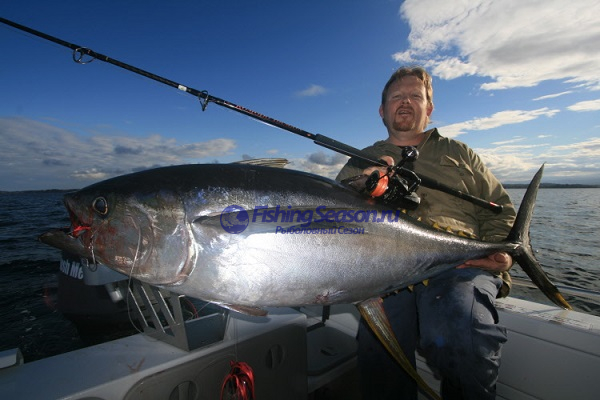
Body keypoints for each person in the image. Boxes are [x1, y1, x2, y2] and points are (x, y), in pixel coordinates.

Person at [336, 66, 516, 399]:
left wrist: (502, 253)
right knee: (379, 356)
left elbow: (500, 210)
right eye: (396, 97)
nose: (405, 102)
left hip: (460, 265)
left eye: (415, 96)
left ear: (429, 109)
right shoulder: (360, 160)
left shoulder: (460, 153)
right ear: (382, 110)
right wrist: (362, 186)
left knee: (463, 336)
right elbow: (333, 220)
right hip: (385, 269)